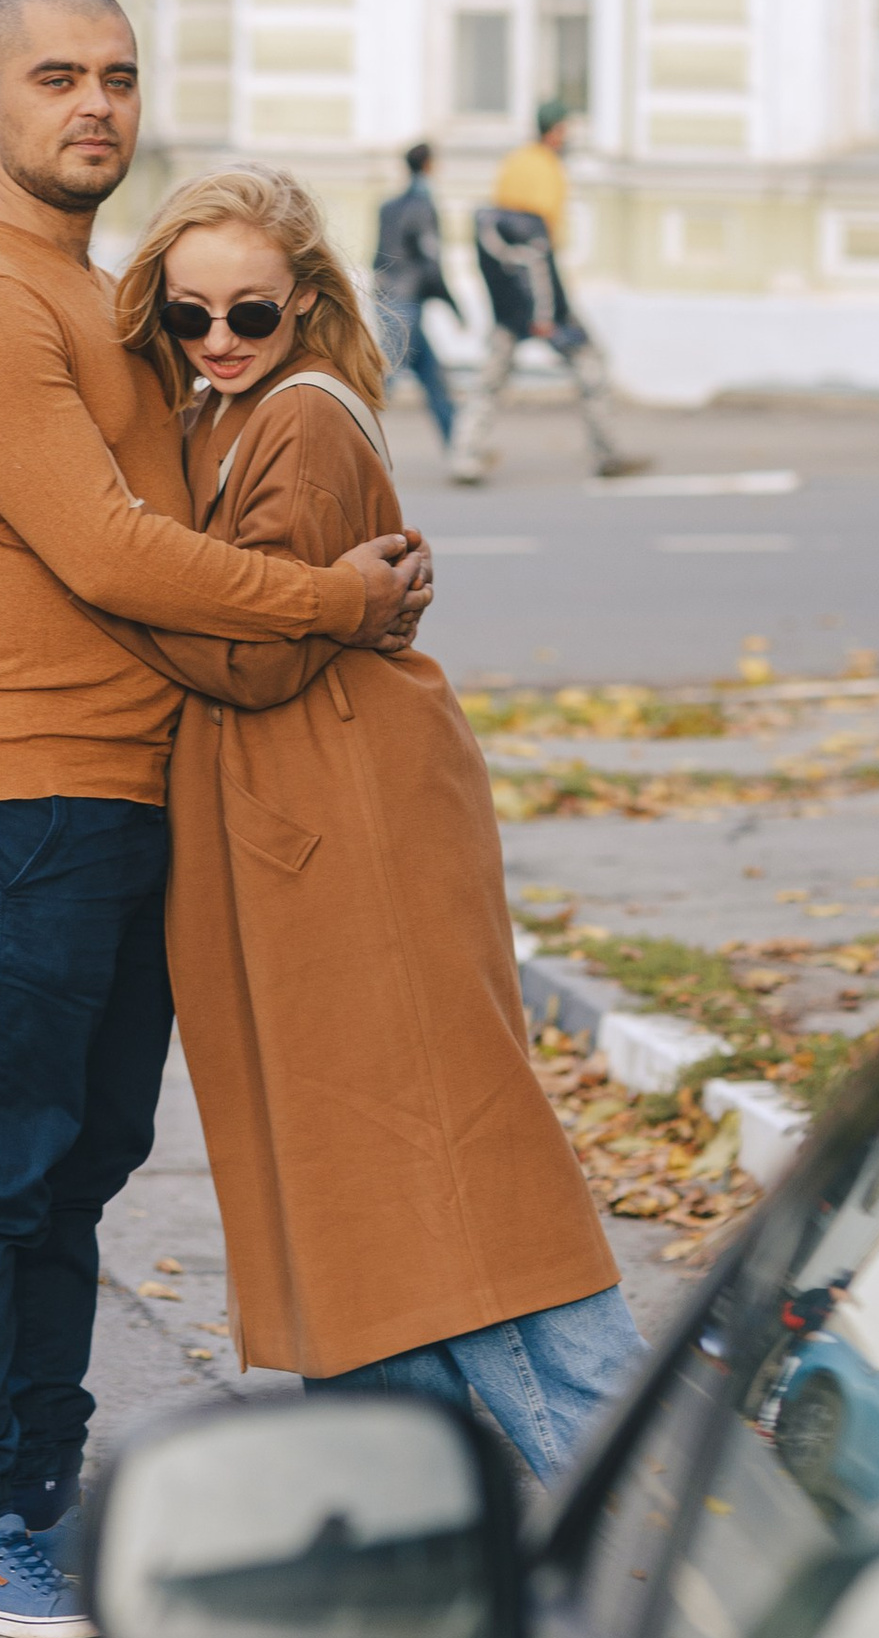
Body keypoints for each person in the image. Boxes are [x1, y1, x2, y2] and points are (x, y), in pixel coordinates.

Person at [0, 0, 434, 1638]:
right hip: (13, 794)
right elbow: (110, 553)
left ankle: (36, 1495)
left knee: (79, 1160)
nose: (94, 103)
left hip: (119, 795)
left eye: (117, 74)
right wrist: (340, 601)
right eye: (55, 75)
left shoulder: (106, 293)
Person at [117, 162, 643, 1479]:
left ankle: (664, 1531)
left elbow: (253, 656)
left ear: (308, 302)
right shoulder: (219, 417)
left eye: (253, 314)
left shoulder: (297, 423)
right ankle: (417, 1534)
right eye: (192, 318)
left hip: (350, 844)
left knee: (441, 1199)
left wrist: (114, 582)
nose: (222, 343)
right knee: (367, 1203)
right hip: (316, 834)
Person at [449, 96, 645, 484]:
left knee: (492, 376)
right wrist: (544, 312)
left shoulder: (515, 162)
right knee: (590, 364)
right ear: (555, 132)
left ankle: (465, 454)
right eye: (565, 131)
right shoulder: (549, 170)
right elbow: (538, 244)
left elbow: (503, 235)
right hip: (541, 291)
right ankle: (607, 452)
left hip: (508, 293)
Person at [371, 138, 463, 445]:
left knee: (431, 375)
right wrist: (453, 304)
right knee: (384, 382)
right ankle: (341, 443)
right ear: (429, 165)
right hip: (407, 302)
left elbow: (379, 256)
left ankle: (460, 445)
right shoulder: (424, 206)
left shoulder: (389, 206)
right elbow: (431, 262)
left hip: (387, 296)